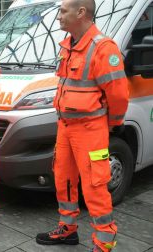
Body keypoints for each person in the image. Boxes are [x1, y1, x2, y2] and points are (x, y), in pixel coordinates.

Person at [35, 1, 129, 251]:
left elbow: (119, 95)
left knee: (95, 187)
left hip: (90, 130)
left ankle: (104, 242)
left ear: (81, 12)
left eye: (63, 11)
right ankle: (68, 229)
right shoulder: (69, 46)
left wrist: (113, 123)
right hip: (66, 127)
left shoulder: (102, 48)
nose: (58, 17)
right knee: (64, 179)